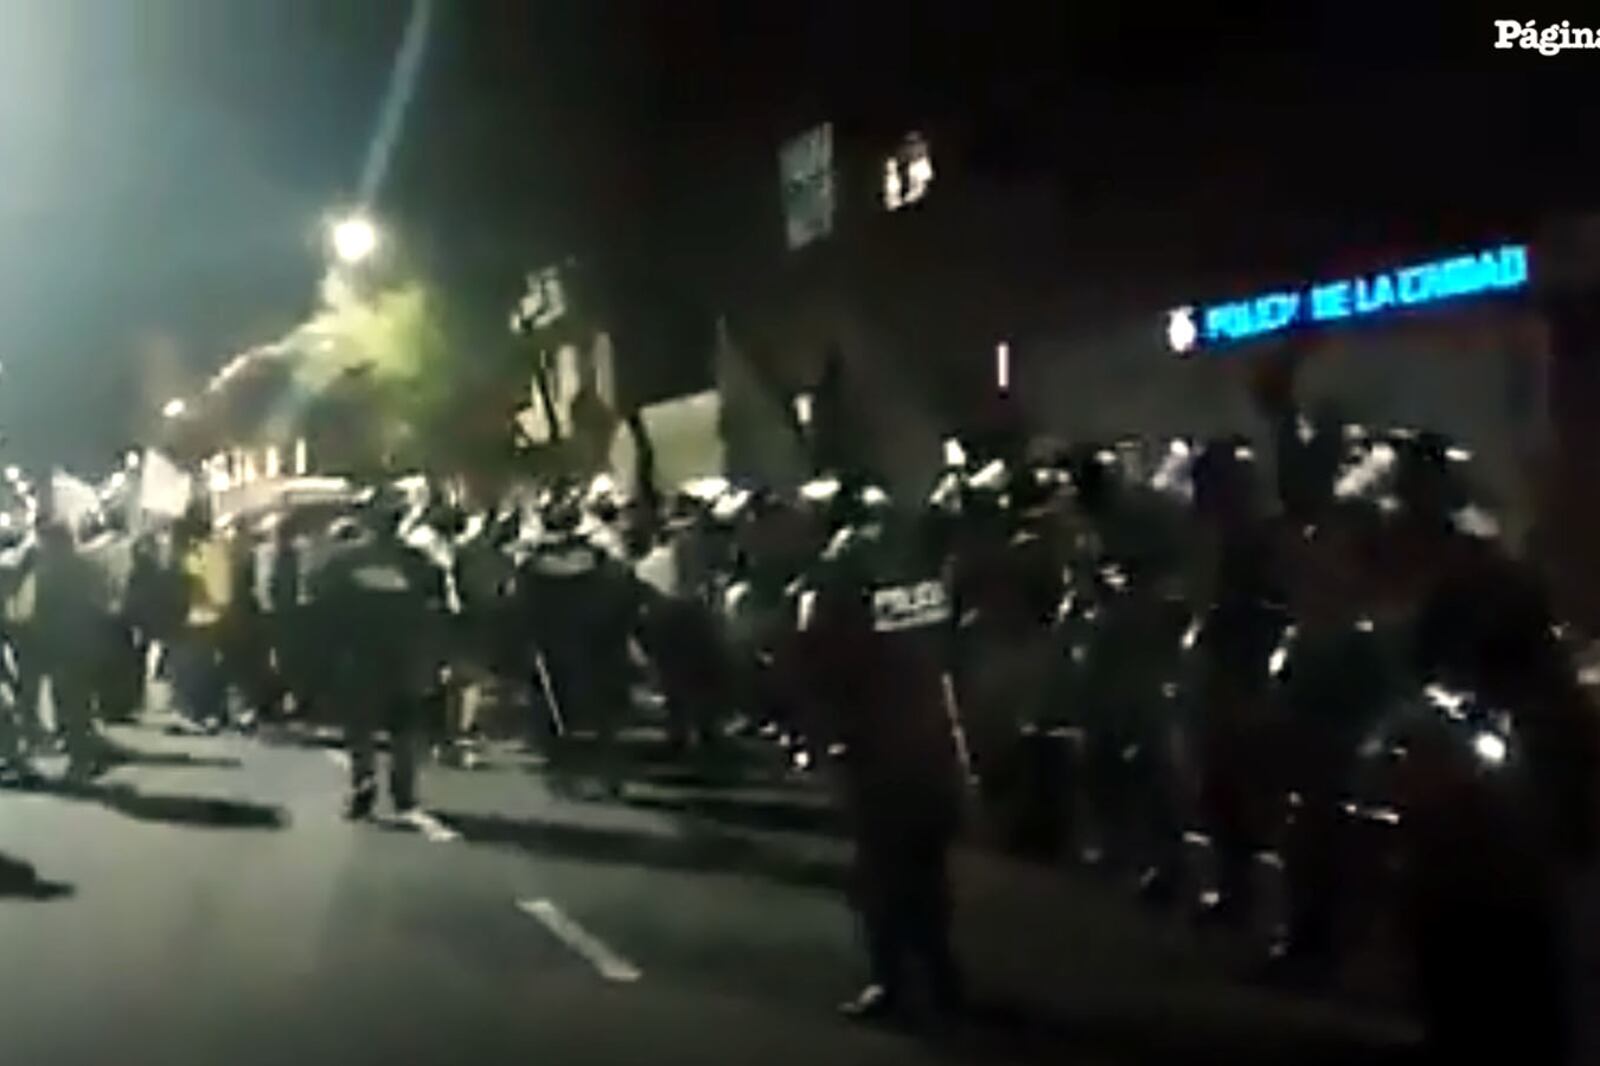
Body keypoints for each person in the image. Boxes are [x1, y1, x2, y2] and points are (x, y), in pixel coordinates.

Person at [788, 492, 968, 1023]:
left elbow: (816, 657)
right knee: (925, 866)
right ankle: (939, 975)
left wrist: (822, 736)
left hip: (875, 741)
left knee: (881, 869)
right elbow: (945, 648)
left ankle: (893, 982)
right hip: (926, 734)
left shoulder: (839, 576)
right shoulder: (918, 576)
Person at [311, 491, 446, 819]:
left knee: (360, 725)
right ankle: (403, 790)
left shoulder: (342, 561)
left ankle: (363, 780)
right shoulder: (418, 562)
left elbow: (319, 607)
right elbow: (436, 608)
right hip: (405, 655)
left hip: (358, 654)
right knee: (404, 724)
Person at [516, 485, 642, 797]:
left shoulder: (530, 564)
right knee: (601, 713)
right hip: (593, 642)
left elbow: (520, 605)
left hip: (556, 643)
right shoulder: (600, 560)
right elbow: (622, 595)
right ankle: (607, 772)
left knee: (554, 710)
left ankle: (563, 771)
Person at [31, 522, 111, 780]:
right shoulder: (87, 567)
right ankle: (86, 752)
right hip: (86, 643)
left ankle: (80, 759)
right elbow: (102, 602)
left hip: (62, 645)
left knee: (69, 703)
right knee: (81, 702)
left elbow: (41, 612)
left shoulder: (48, 572)